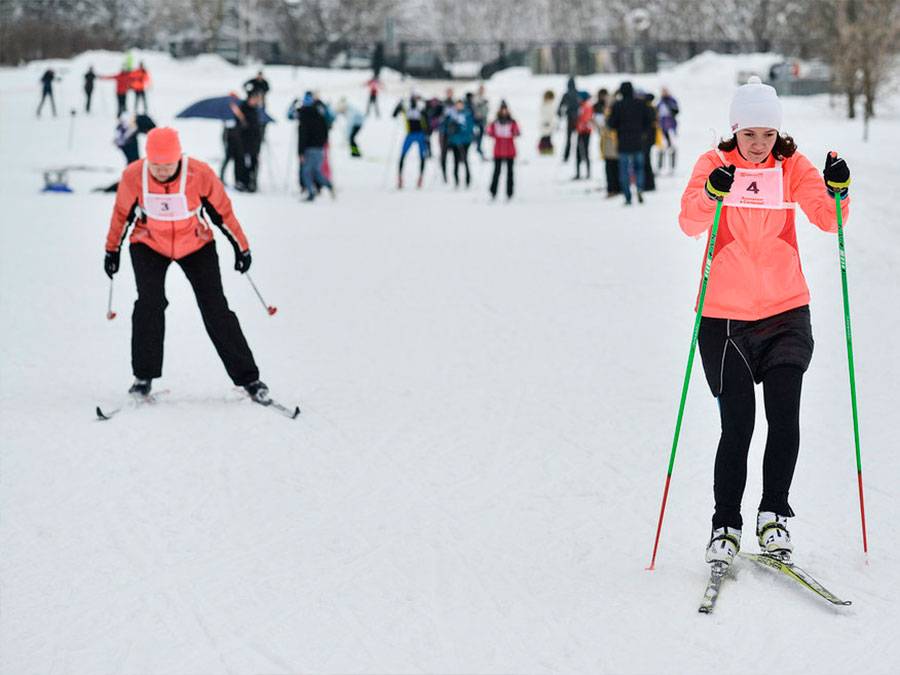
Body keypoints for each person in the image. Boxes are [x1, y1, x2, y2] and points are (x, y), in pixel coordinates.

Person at [678, 76, 852, 567]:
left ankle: (773, 516)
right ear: (735, 130)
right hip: (724, 317)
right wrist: (712, 195)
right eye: (750, 135)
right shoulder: (715, 165)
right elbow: (689, 221)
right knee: (738, 425)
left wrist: (838, 190)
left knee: (784, 416)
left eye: (767, 135)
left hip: (785, 311)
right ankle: (725, 525)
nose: (758, 145)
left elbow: (828, 218)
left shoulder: (791, 165)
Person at [102, 127, 270, 403]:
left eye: (168, 165)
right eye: (156, 165)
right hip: (149, 244)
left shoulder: (199, 174)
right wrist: (112, 250)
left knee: (215, 308)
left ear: (178, 158)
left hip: (196, 245)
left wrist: (241, 247)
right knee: (149, 304)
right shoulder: (134, 175)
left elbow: (223, 213)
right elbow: (121, 215)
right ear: (148, 160)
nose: (162, 171)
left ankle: (249, 378)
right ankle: (143, 377)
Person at [607, 81, 654, 205]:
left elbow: (611, 124)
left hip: (623, 142)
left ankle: (627, 196)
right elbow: (649, 120)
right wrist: (643, 130)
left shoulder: (617, 106)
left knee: (624, 170)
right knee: (639, 168)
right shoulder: (640, 104)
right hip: (638, 141)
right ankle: (639, 188)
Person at [296, 91, 334, 202]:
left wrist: (300, 152)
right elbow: (326, 130)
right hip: (320, 148)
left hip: (309, 149)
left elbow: (302, 137)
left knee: (306, 172)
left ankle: (310, 193)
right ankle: (328, 185)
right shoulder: (320, 115)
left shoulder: (304, 119)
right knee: (317, 172)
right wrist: (322, 144)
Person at [229, 90, 264, 192]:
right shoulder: (242, 109)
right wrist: (243, 122)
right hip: (242, 144)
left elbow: (256, 127)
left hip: (253, 144)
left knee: (253, 164)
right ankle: (241, 182)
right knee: (241, 164)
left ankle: (251, 182)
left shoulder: (255, 110)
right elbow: (239, 127)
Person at [392, 91, 428, 189]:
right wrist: (398, 105)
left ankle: (420, 178)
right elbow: (394, 115)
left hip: (421, 134)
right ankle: (400, 179)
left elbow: (428, 118)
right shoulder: (406, 107)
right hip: (410, 134)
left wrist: (427, 135)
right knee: (402, 155)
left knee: (422, 157)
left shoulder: (422, 107)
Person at [486, 101, 520, 201]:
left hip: (510, 151)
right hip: (498, 150)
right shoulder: (495, 122)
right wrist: (490, 132)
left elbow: (517, 132)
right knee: (496, 172)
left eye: (505, 109)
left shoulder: (512, 121)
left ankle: (509, 192)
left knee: (510, 173)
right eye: (502, 109)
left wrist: (515, 132)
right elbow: (489, 131)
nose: (504, 111)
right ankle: (493, 191)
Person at [594, 88, 620, 198]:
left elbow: (605, 128)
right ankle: (616, 188)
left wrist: (596, 124)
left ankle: (613, 189)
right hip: (613, 143)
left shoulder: (609, 113)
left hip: (610, 143)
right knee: (615, 167)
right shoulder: (613, 111)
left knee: (611, 167)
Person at [446, 99, 475, 188]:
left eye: (460, 105)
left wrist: (461, 130)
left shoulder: (467, 114)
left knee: (465, 160)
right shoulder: (452, 115)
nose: (459, 106)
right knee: (455, 161)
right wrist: (452, 128)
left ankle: (467, 180)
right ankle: (456, 180)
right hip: (455, 141)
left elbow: (470, 127)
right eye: (457, 105)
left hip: (465, 141)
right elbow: (448, 127)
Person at [557, 77, 580, 162]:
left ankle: (566, 155)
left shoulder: (566, 94)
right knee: (579, 138)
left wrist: (560, 114)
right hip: (577, 118)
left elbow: (560, 106)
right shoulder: (578, 93)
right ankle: (579, 155)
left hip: (570, 118)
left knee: (569, 138)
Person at [657, 87, 679, 173]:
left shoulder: (672, 101)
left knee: (672, 147)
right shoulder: (660, 102)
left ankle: (672, 167)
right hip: (662, 127)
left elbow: (676, 110)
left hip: (671, 127)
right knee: (662, 147)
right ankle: (660, 167)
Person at [574, 91, 593, 180]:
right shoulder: (581, 106)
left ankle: (588, 173)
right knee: (578, 151)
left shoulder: (587, 106)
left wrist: (581, 127)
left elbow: (586, 119)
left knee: (585, 151)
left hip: (585, 132)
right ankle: (578, 173)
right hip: (580, 131)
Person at [538, 90, 556, 155]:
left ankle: (548, 149)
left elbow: (552, 114)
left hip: (550, 123)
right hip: (544, 123)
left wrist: (552, 123)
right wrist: (544, 122)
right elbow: (542, 113)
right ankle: (543, 148)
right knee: (544, 137)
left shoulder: (552, 104)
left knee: (549, 137)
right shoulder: (543, 104)